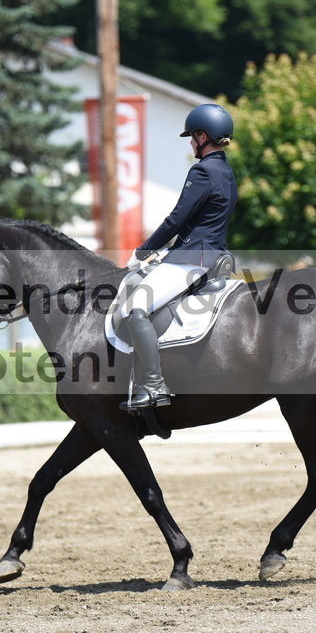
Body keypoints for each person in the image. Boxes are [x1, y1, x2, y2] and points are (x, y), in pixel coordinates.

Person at [119, 103, 238, 411]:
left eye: (192, 137)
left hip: (190, 260)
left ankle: (154, 385)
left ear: (203, 136)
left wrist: (143, 251)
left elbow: (176, 219)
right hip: (211, 255)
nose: (191, 144)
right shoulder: (226, 172)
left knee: (134, 308)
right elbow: (199, 222)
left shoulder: (202, 171)